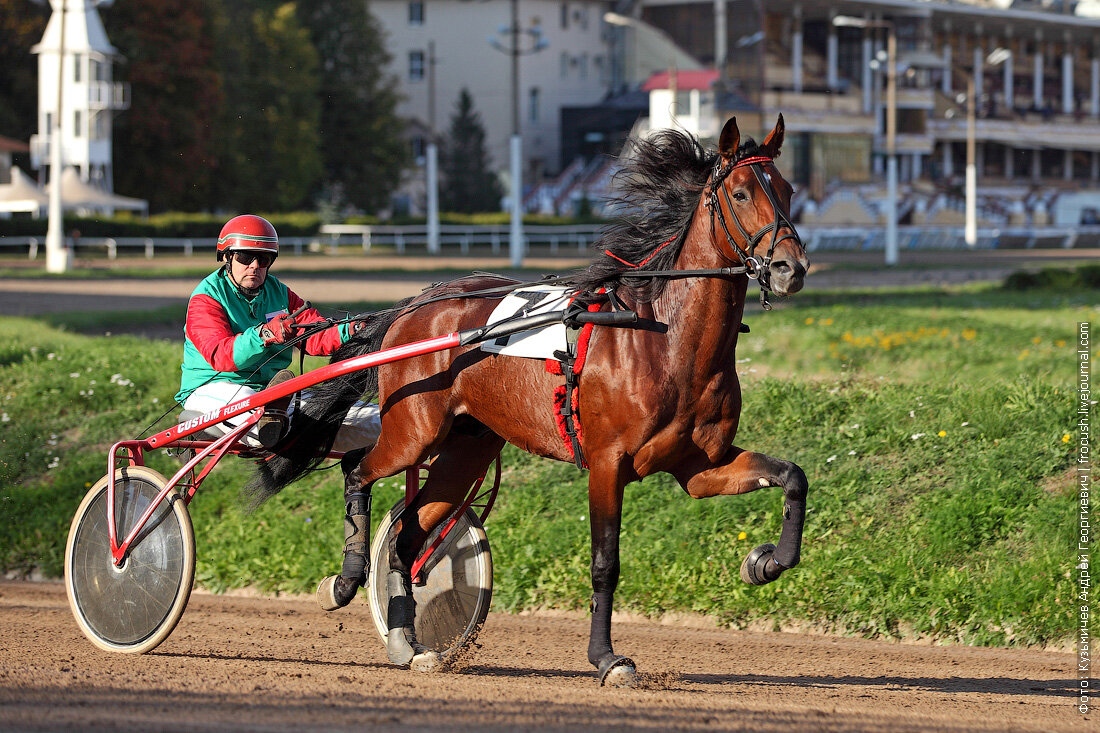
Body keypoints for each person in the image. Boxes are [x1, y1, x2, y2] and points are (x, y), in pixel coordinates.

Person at [175, 214, 380, 450]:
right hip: (213, 389)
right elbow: (222, 355)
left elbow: (315, 335)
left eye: (263, 259)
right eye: (245, 257)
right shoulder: (207, 298)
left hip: (274, 394)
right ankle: (275, 420)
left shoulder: (279, 292)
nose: (254, 266)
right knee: (255, 414)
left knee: (377, 421)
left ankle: (280, 419)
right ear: (227, 257)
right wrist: (264, 334)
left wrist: (352, 329)